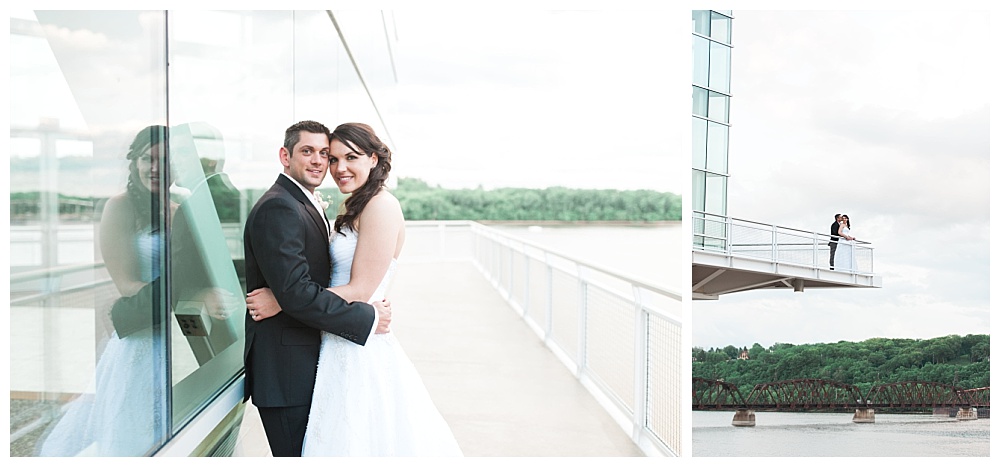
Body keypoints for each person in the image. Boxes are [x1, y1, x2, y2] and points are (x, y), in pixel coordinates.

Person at [246, 122, 463, 456]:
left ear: (373, 159)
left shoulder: (381, 206)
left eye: (349, 157)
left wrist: (282, 299)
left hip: (357, 346)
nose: (336, 166)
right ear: (285, 156)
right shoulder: (337, 206)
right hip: (324, 348)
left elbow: (360, 288)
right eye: (331, 157)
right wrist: (287, 295)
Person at [242, 120, 392, 457]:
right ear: (285, 155)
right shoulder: (280, 206)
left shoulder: (305, 202)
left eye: (325, 154)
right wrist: (365, 317)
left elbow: (303, 284)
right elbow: (296, 290)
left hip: (312, 360)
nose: (320, 161)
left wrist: (281, 297)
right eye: (307, 151)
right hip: (286, 372)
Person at [37, 125, 172, 456]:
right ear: (134, 162)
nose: (154, 168)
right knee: (132, 434)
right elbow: (124, 284)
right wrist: (176, 297)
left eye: (163, 160)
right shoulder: (120, 207)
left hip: (175, 338)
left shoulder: (177, 210)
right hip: (140, 338)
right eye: (146, 158)